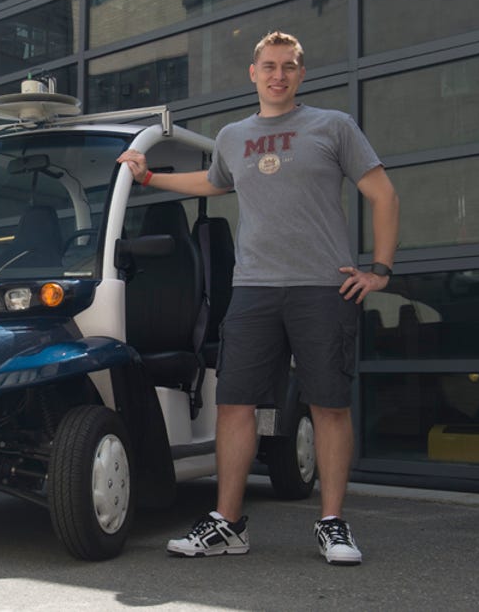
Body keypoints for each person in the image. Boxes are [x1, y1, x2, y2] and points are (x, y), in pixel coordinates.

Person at [117, 31, 399, 565]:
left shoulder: (333, 126)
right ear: (253, 73)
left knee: (329, 406)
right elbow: (212, 182)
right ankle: (227, 524)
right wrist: (148, 176)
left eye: (288, 66)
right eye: (269, 65)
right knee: (233, 404)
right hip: (253, 289)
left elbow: (382, 193)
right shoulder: (232, 136)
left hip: (323, 287)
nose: (278, 74)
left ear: (301, 74)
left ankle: (333, 523)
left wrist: (380, 270)